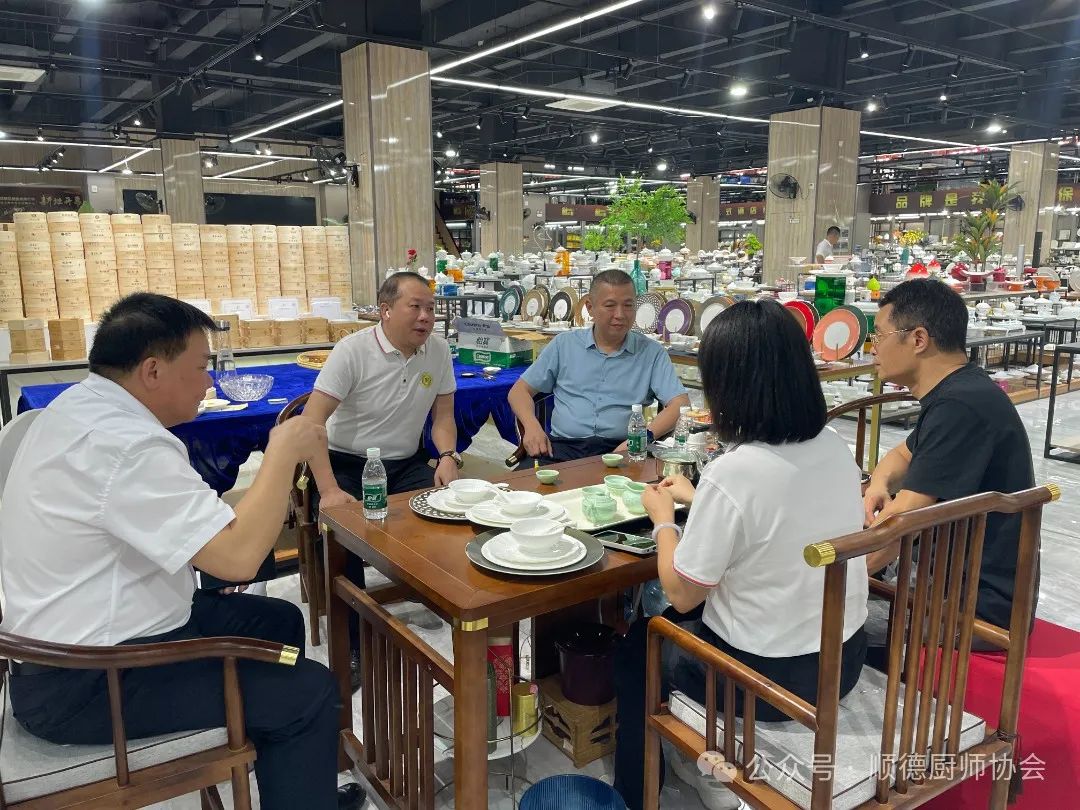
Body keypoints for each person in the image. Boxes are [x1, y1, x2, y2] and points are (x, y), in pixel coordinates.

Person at [0, 293, 363, 810]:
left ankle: (295, 783)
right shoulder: (127, 446)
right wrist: (281, 452)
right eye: (200, 367)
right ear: (152, 370)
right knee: (309, 690)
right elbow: (237, 560)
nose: (208, 382)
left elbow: (199, 536)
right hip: (88, 679)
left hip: (95, 637)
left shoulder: (80, 408)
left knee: (278, 622)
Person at [612, 299, 868, 810]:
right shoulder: (832, 446)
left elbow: (683, 594)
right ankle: (697, 765)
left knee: (641, 641)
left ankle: (637, 794)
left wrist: (663, 519)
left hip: (762, 680)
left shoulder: (736, 471)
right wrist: (702, 498)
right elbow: (776, 517)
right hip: (842, 660)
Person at [302, 271, 459, 683]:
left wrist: (447, 456)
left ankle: (445, 607)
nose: (426, 317)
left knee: (447, 517)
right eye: (415, 307)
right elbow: (311, 424)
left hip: (405, 462)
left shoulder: (438, 350)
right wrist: (328, 489)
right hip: (345, 463)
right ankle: (353, 646)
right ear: (385, 310)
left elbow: (443, 417)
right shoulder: (352, 351)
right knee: (343, 537)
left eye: (431, 308)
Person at [863, 278, 1036, 646]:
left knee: (824, 624)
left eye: (879, 335)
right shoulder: (961, 388)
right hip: (945, 572)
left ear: (918, 339)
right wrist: (878, 485)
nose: (872, 347)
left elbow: (900, 526)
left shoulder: (960, 405)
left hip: (972, 607)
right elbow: (901, 455)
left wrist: (838, 576)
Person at [507, 269, 690, 463]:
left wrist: (645, 436)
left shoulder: (651, 353)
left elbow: (681, 404)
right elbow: (518, 392)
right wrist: (532, 426)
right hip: (561, 449)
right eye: (610, 305)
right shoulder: (564, 345)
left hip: (622, 450)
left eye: (628, 305)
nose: (620, 315)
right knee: (518, 483)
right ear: (590, 307)